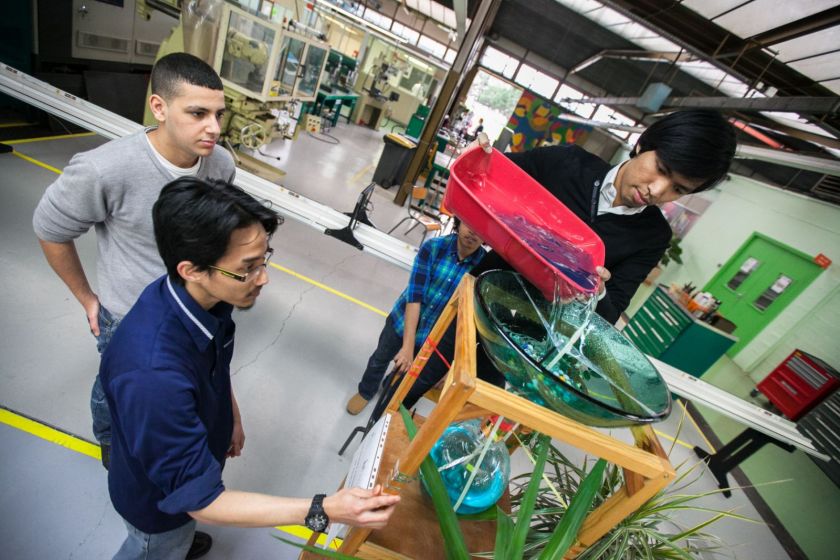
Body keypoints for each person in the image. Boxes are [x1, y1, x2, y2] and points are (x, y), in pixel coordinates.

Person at [101, 177, 400, 559]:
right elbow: (201, 500)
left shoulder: (202, 299)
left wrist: (231, 414)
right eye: (248, 268)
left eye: (265, 259)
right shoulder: (150, 374)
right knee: (160, 547)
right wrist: (321, 509)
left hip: (187, 466)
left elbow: (214, 361)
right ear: (191, 268)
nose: (263, 278)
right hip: (157, 511)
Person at [400, 109, 737, 408]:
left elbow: (611, 309)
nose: (657, 190)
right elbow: (493, 179)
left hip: (526, 342)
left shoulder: (651, 236)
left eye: (677, 189)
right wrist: (478, 159)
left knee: (467, 412)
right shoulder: (566, 164)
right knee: (409, 386)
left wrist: (595, 291)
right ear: (643, 143)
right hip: (474, 302)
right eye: (661, 168)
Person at [32, 52, 236, 468]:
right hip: (129, 316)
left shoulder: (221, 165)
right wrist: (88, 298)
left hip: (195, 314)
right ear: (159, 107)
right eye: (197, 113)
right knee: (117, 398)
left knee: (182, 397)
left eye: (219, 114)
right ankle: (116, 460)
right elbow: (50, 230)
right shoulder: (104, 169)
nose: (213, 128)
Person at [346, 218, 486, 415]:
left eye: (481, 231)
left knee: (406, 376)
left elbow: (467, 321)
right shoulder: (434, 248)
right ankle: (366, 390)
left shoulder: (482, 270)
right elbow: (415, 297)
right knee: (380, 357)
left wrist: (449, 367)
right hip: (402, 323)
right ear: (459, 222)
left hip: (433, 339)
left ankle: (388, 387)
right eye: (470, 225)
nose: (473, 233)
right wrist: (407, 346)